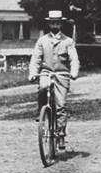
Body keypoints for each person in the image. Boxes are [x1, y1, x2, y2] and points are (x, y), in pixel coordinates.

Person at [29, 10, 80, 149]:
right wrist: (33, 73)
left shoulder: (68, 41)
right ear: (49, 23)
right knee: (43, 87)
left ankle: (61, 134)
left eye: (57, 22)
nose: (55, 25)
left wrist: (74, 72)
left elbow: (74, 59)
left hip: (62, 74)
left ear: (61, 24)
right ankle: (41, 111)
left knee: (61, 104)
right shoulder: (42, 40)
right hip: (46, 72)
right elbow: (36, 59)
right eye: (52, 22)